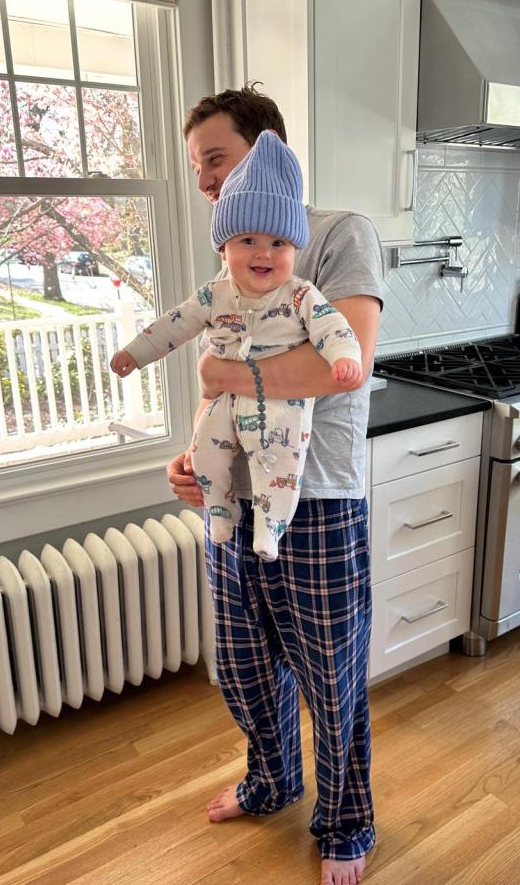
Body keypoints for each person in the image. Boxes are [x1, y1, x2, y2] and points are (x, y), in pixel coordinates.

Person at [175, 86, 383, 885]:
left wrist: (227, 373)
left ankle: (346, 822)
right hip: (234, 500)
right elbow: (218, 376)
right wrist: (191, 455)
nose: (206, 185)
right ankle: (273, 781)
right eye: (198, 172)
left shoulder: (337, 235)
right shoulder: (238, 248)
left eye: (216, 161)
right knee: (241, 667)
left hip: (319, 499)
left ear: (268, 151)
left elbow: (346, 360)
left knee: (330, 679)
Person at [111, 130, 362, 561]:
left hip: (282, 409)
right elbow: (174, 324)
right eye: (248, 241)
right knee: (206, 452)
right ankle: (220, 512)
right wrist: (135, 353)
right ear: (225, 247)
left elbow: (334, 329)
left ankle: (271, 527)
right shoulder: (215, 294)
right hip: (223, 406)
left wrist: (344, 358)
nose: (264, 253)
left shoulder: (300, 294)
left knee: (281, 464)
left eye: (278, 244)